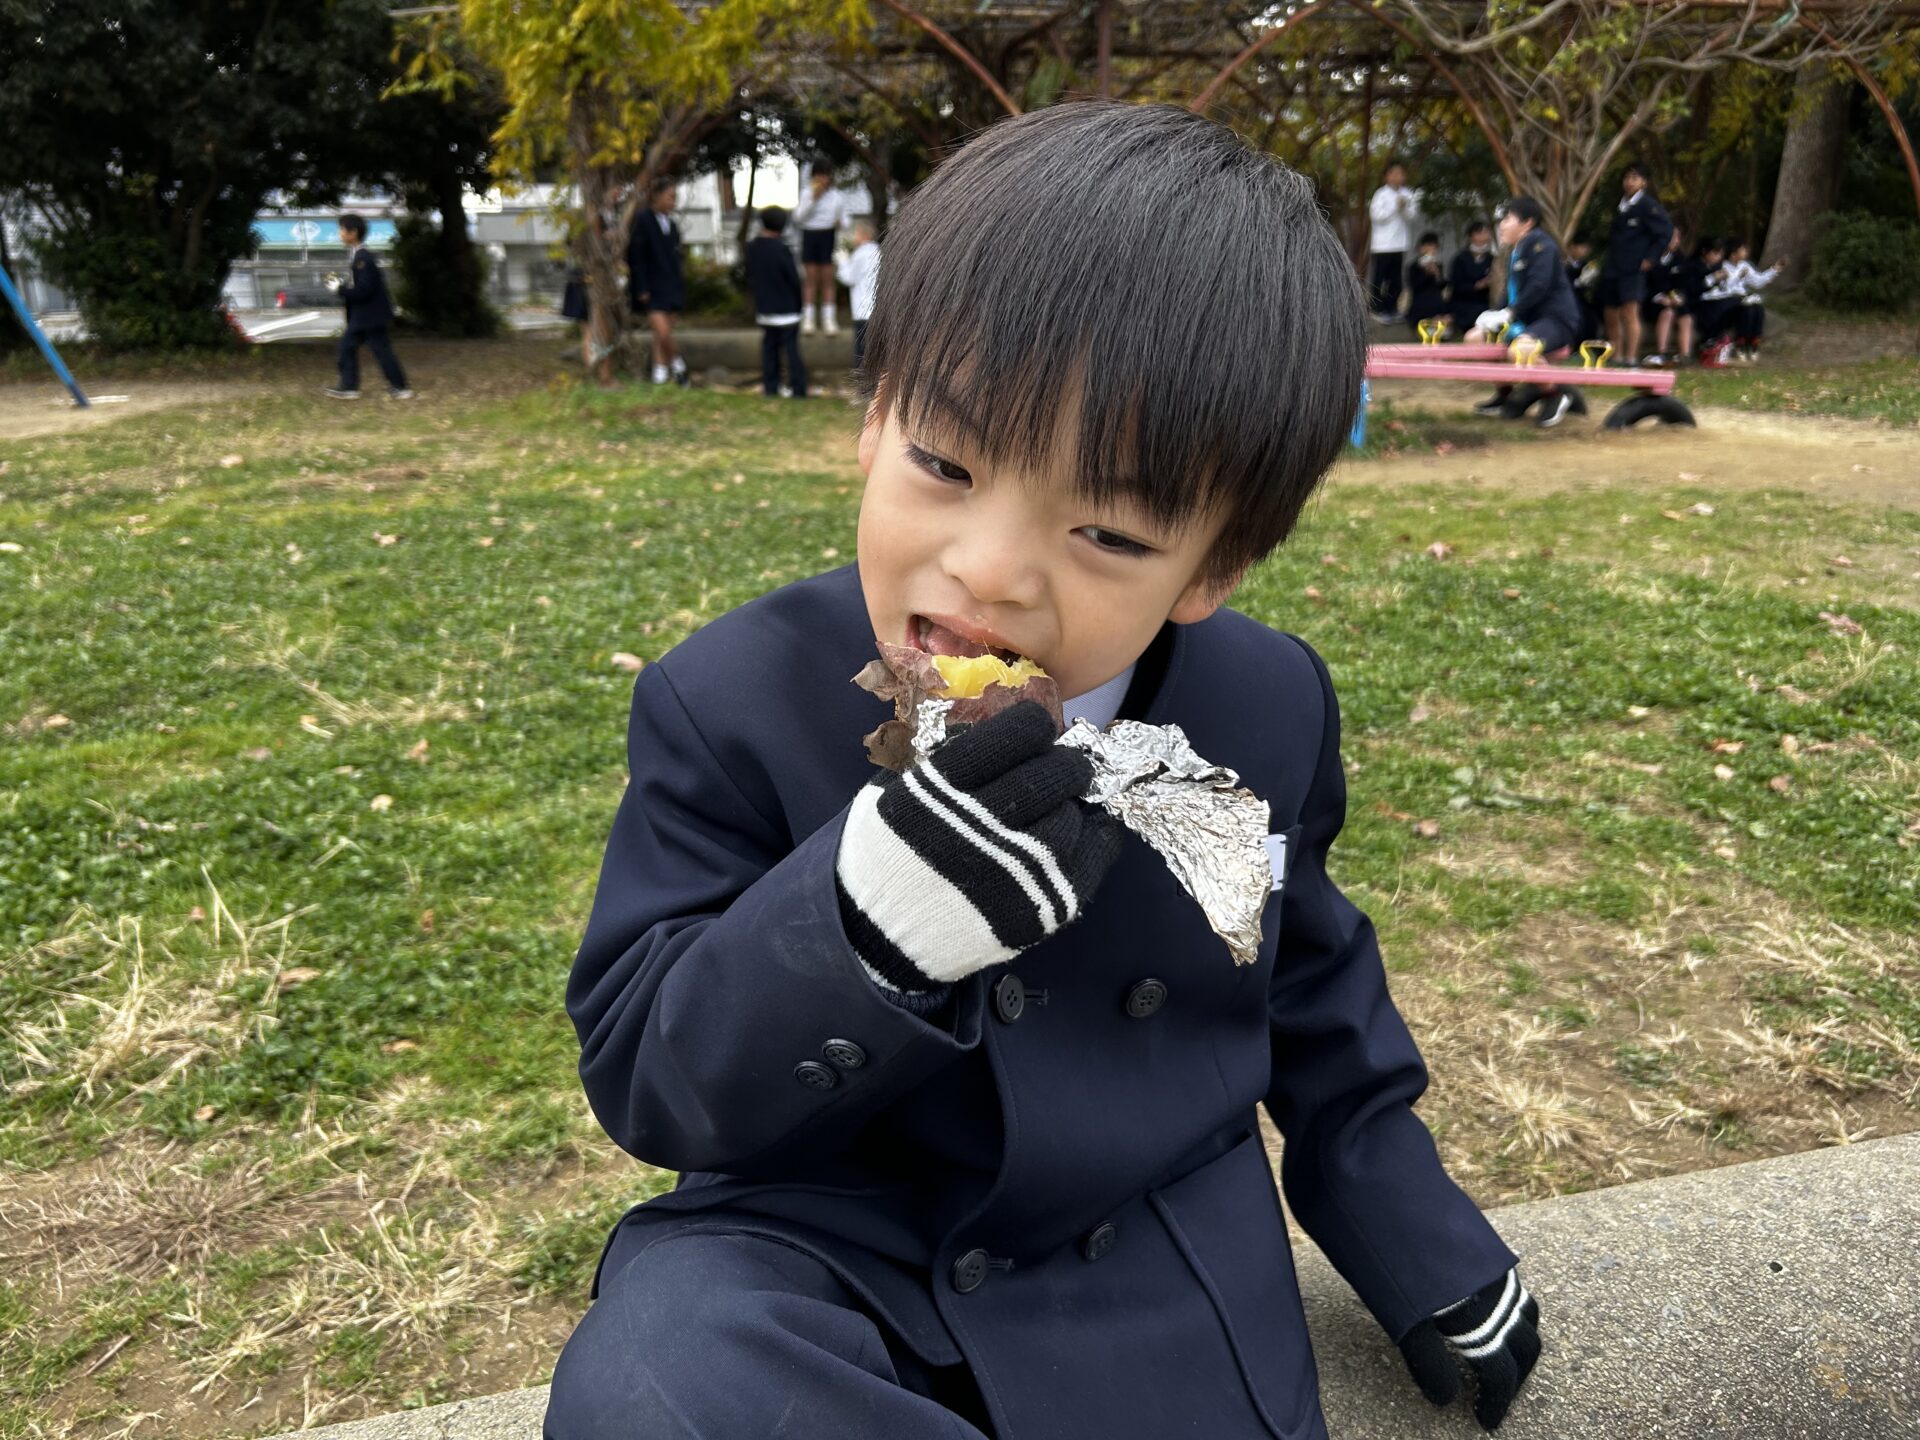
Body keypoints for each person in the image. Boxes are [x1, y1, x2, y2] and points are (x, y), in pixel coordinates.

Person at [544, 101, 1539, 1440]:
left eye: (1111, 533)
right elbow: (646, 1074)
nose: (994, 573)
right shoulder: (727, 700)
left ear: (1215, 567)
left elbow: (1306, 984)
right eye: (944, 462)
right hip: (828, 1247)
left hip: (1151, 1255)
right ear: (871, 412)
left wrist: (1408, 1225)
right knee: (657, 1382)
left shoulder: (1264, 699)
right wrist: (865, 925)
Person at [1467, 195, 1584, 427]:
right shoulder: (1518, 250)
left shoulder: (1542, 245)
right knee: (1474, 338)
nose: (1502, 224)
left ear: (1527, 222)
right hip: (1526, 321)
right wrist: (1494, 314)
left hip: (1554, 320)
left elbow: (1538, 287)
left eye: (1508, 218)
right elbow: (1513, 292)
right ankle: (1505, 395)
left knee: (1520, 350)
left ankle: (1555, 395)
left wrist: (1509, 313)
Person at [325, 214, 412, 400]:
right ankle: (398, 387)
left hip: (368, 316)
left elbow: (364, 290)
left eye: (342, 230)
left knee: (351, 348)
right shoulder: (359, 256)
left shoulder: (362, 258)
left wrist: (340, 289)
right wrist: (344, 287)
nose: (340, 234)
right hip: (369, 315)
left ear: (353, 233)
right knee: (374, 350)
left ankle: (351, 387)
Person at [1596, 162, 1673, 366]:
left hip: (1634, 267)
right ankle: (1617, 355)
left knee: (1630, 312)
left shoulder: (1649, 206)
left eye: (1635, 178)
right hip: (1614, 265)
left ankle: (1631, 357)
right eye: (1627, 178)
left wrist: (1651, 258)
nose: (1630, 182)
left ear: (1644, 182)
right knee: (1611, 313)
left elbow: (1665, 233)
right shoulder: (1620, 206)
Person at [628, 177, 690, 387]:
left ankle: (660, 374)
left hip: (672, 287)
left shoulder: (672, 225)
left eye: (675, 198)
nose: (673, 202)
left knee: (661, 336)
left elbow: (677, 259)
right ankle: (680, 367)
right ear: (656, 196)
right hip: (652, 287)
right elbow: (637, 257)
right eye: (670, 197)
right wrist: (642, 287)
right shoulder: (642, 220)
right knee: (663, 333)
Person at [746, 205, 807, 399]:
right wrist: (799, 304)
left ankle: (770, 387)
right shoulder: (782, 249)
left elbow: (750, 276)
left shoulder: (753, 248)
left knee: (769, 350)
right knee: (791, 351)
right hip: (787, 309)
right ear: (782, 226)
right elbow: (794, 279)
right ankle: (798, 388)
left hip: (765, 308)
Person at [792, 164, 855, 335]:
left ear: (829, 177)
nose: (821, 179)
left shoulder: (837, 196)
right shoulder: (806, 193)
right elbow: (798, 218)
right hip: (810, 235)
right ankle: (809, 319)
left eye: (824, 175)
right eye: (817, 175)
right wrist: (814, 199)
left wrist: (841, 223)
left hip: (828, 235)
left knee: (827, 279)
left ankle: (829, 320)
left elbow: (846, 221)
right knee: (810, 280)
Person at [1366, 160, 1420, 324]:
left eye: (1400, 174)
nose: (1397, 177)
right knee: (1379, 279)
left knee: (1395, 280)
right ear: (1387, 176)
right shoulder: (1381, 194)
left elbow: (1412, 216)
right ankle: (1376, 309)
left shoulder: (1407, 193)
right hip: (1382, 245)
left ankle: (1392, 308)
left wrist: (1403, 208)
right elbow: (1377, 216)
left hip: (1399, 244)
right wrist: (1394, 207)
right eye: (1393, 173)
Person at [1641, 228, 1698, 366]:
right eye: (1673, 238)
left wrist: (1679, 296)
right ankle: (1662, 352)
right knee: (1667, 313)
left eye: (1678, 238)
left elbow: (1684, 283)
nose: (1677, 242)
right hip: (1653, 302)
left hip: (1674, 300)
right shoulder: (1648, 258)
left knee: (1686, 317)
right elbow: (1643, 285)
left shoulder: (1680, 258)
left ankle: (1685, 355)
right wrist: (1659, 297)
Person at [1720, 240, 1779, 363]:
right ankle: (1740, 344)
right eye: (1742, 250)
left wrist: (1774, 270)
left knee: (1758, 309)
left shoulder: (1744, 265)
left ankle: (1754, 343)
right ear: (1733, 253)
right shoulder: (1723, 267)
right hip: (1729, 299)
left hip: (1743, 297)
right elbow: (1724, 288)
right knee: (1746, 311)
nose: (1745, 252)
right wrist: (1738, 277)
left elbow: (1757, 281)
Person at [835, 216, 882, 372]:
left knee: (861, 349)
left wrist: (842, 262)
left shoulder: (861, 253)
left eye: (856, 233)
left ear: (864, 235)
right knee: (873, 349)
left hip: (862, 310)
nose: (853, 237)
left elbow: (849, 278)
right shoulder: (877, 252)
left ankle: (861, 382)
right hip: (875, 309)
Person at [1446, 220, 1495, 341]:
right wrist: (1476, 286)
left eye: (1486, 233)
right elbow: (1455, 284)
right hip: (1463, 300)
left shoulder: (1491, 259)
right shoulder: (1460, 259)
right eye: (1479, 233)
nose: (1483, 237)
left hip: (1483, 300)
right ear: (1470, 236)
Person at [1404, 230, 1448, 333]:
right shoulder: (1413, 266)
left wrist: (1437, 275)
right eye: (1427, 246)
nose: (1430, 249)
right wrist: (1426, 273)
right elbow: (1414, 285)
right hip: (1420, 303)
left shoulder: (1438, 265)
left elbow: (1442, 285)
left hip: (1435, 301)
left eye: (1433, 246)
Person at [1563, 236, 1601, 344]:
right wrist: (1578, 282)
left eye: (1587, 248)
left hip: (1582, 301)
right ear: (1572, 247)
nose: (1586, 251)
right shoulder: (1563, 263)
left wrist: (1588, 280)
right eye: (1583, 247)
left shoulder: (1585, 265)